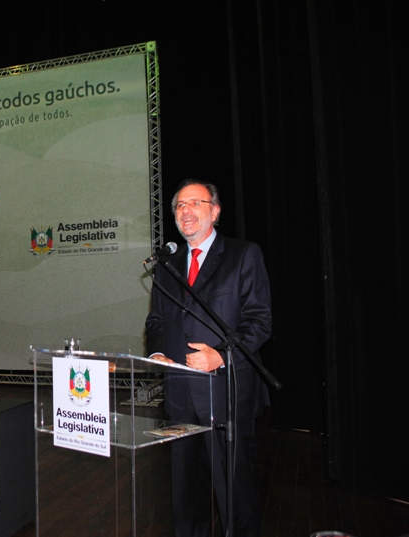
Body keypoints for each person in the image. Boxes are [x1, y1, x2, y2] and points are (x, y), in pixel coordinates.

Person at [145, 180, 272, 536]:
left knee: (235, 488)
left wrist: (222, 356)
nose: (185, 211)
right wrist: (157, 353)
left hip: (226, 392)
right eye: (179, 206)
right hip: (180, 394)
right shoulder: (166, 265)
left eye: (194, 203)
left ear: (214, 212)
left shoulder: (243, 254)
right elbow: (156, 321)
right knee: (186, 491)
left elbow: (259, 321)